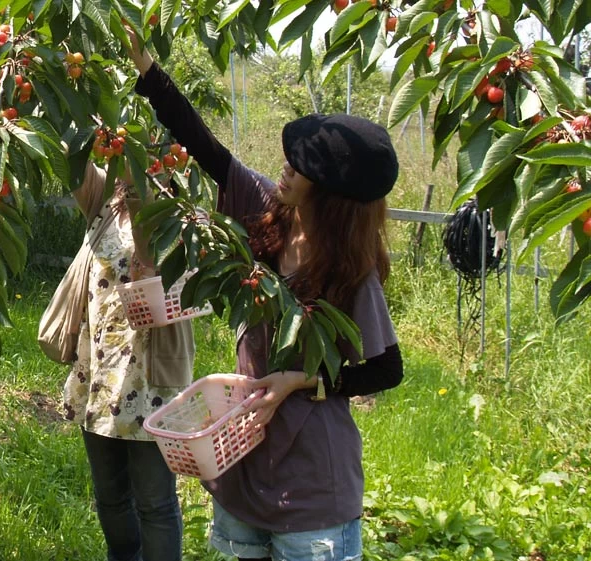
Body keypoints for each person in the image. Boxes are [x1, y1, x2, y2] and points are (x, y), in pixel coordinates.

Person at [126, 34, 405, 561]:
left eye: (303, 166)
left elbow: (386, 370)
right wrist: (146, 65)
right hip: (245, 459)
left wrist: (301, 380)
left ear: (332, 193)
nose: (286, 167)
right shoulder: (267, 215)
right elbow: (204, 146)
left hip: (312, 487)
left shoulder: (351, 275)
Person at [61, 160, 197, 561]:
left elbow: (146, 227)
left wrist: (137, 162)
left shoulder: (182, 223)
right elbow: (71, 159)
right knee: (110, 496)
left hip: (150, 379)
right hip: (100, 375)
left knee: (154, 501)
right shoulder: (103, 204)